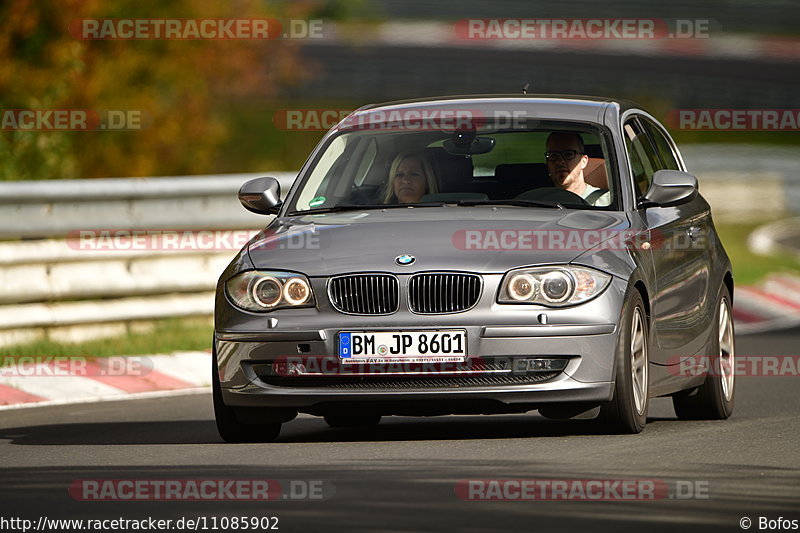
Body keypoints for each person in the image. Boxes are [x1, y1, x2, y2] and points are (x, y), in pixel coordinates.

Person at [544, 132, 611, 206]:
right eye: (553, 155)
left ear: (583, 161)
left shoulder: (606, 201)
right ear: (547, 163)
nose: (560, 162)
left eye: (568, 154)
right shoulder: (537, 203)